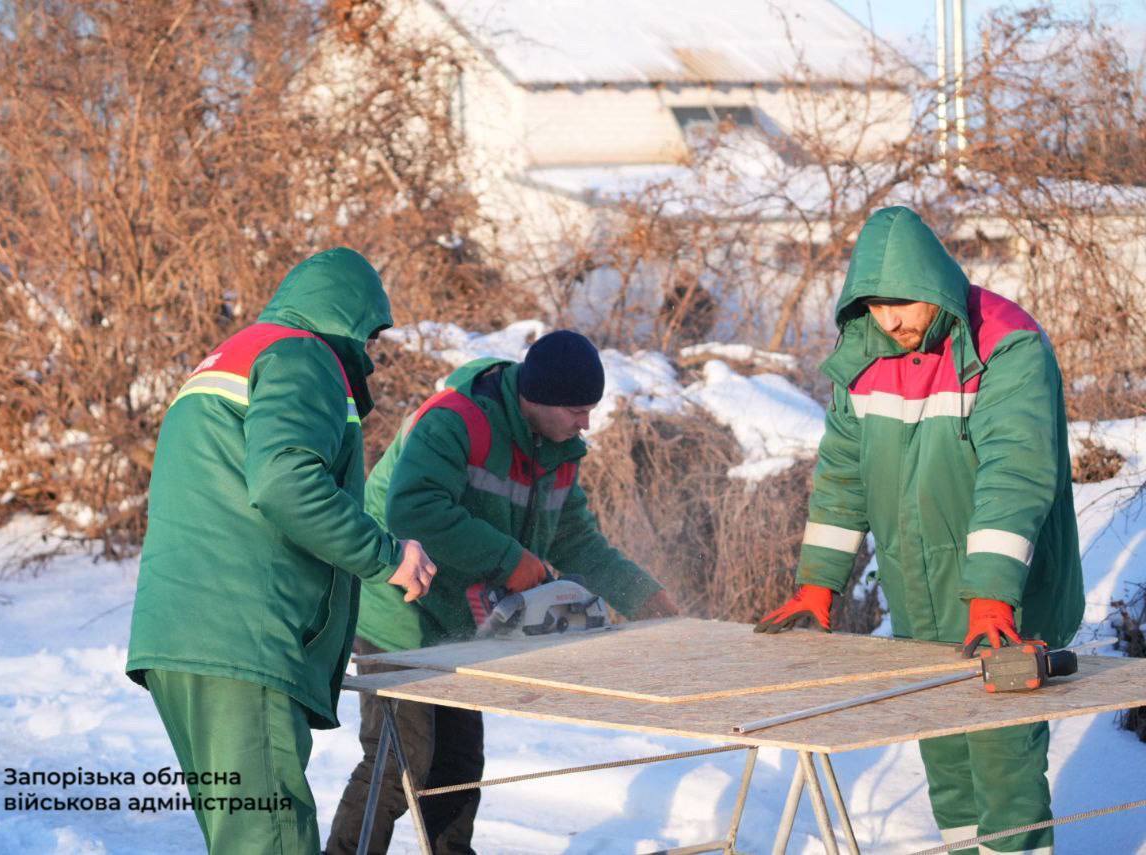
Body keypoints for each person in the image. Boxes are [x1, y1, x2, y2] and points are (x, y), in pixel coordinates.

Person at [755, 206, 1084, 854]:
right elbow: (844, 473)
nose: (891, 321)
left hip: (1009, 602)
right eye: (875, 306)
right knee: (949, 771)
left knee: (1003, 767)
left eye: (902, 303)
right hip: (920, 598)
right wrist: (819, 581)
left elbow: (1015, 472)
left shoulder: (1005, 345)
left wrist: (991, 591)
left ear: (934, 285)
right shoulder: (865, 358)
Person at [125, 248, 438, 854]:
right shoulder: (303, 355)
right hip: (244, 638)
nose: (370, 355)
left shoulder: (235, 355)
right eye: (370, 336)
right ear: (348, 317)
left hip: (185, 641)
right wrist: (386, 554)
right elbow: (284, 482)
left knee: (243, 836)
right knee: (269, 840)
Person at [326, 329, 680, 854]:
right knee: (401, 759)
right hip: (397, 609)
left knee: (460, 764)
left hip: (459, 624)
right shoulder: (455, 420)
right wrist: (512, 561)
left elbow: (577, 539)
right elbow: (413, 512)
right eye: (579, 410)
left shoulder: (558, 447)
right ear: (538, 399)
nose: (587, 423)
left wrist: (647, 599)